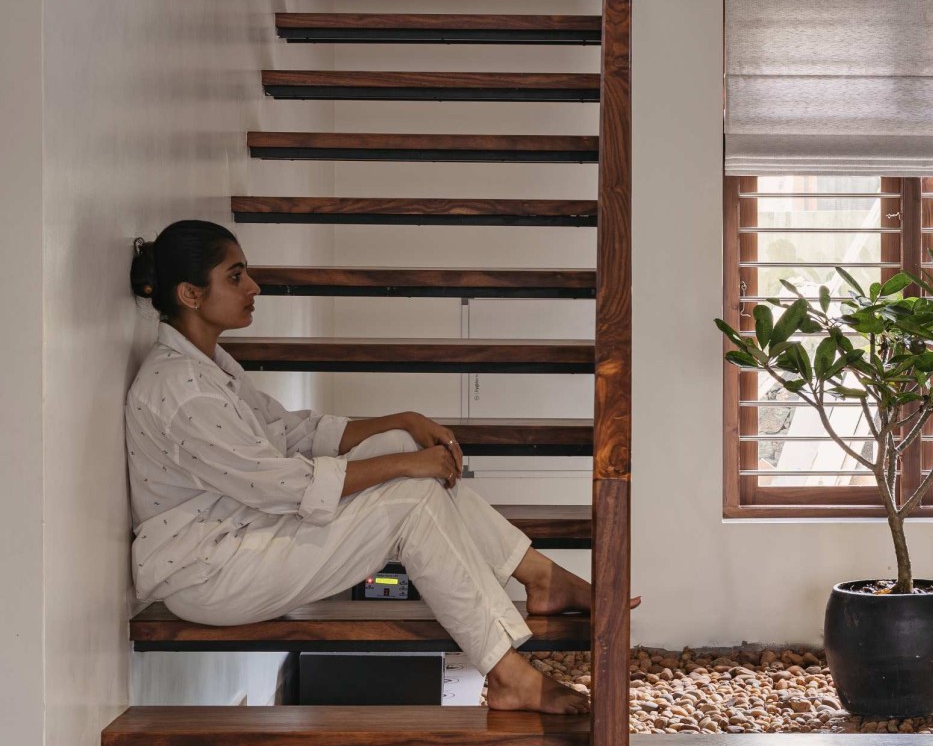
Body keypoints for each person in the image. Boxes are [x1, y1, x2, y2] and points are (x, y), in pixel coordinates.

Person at [126, 219, 632, 714]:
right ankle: (507, 674)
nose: (253, 286)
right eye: (235, 276)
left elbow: (292, 435)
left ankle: (540, 577)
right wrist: (406, 465)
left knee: (396, 447)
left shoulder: (209, 366)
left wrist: (403, 423)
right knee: (411, 496)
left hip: (245, 537)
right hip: (213, 573)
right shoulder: (183, 391)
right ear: (191, 295)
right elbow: (287, 485)